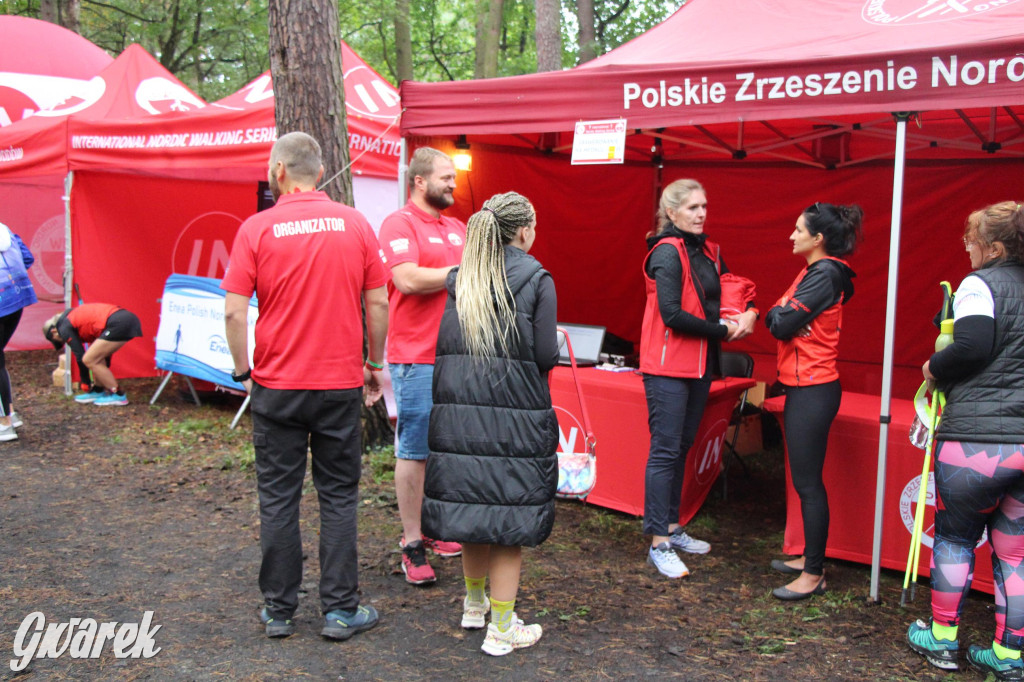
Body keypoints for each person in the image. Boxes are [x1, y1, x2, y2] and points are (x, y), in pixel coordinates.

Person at [222, 132, 389, 641]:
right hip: (339, 383)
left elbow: (232, 308)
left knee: (278, 497)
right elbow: (378, 303)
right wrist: (374, 362)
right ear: (320, 172)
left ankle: (279, 610)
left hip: (277, 384)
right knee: (338, 496)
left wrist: (240, 367)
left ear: (277, 172)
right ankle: (340, 610)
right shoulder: (355, 223)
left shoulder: (256, 229)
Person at [422, 191, 557, 656]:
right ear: (523, 231)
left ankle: (474, 604)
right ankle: (502, 630)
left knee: (472, 511)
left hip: (460, 417)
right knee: (509, 520)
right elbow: (544, 356)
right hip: (514, 419)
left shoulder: (461, 279)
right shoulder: (537, 278)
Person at [906, 201, 1024, 679]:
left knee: (954, 537)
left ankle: (942, 639)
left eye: (971, 239)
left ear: (994, 247)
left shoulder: (981, 284)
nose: (966, 246)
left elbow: (973, 344)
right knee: (1015, 550)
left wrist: (934, 367)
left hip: (977, 442)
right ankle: (1010, 654)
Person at [639, 179, 758, 579]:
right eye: (692, 208)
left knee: (682, 447)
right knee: (666, 451)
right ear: (671, 213)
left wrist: (751, 312)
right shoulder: (666, 252)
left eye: (704, 205)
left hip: (701, 366)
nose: (702, 213)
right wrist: (723, 332)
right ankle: (658, 541)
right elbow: (672, 314)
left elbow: (733, 287)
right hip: (668, 367)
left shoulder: (708, 250)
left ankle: (672, 527)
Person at [378, 147, 467, 585]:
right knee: (413, 448)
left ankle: (435, 527)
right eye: (446, 177)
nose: (453, 184)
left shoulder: (457, 226)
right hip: (415, 356)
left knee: (446, 447)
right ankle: (411, 543)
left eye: (453, 178)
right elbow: (407, 279)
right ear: (418, 181)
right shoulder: (399, 223)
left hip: (457, 355)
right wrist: (460, 270)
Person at [765, 202, 861, 600]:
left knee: (807, 483)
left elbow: (780, 323)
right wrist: (781, 315)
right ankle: (809, 558)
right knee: (804, 480)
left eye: (798, 229)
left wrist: (782, 315)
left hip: (813, 388)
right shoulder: (815, 271)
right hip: (807, 386)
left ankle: (814, 572)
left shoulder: (823, 274)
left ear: (818, 239)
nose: (791, 235)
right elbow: (779, 318)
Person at [43, 303, 142, 406]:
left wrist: (85, 382)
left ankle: (118, 395)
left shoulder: (63, 327)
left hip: (118, 322)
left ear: (54, 331)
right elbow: (102, 359)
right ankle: (98, 390)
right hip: (123, 319)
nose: (62, 342)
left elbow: (80, 356)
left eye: (57, 340)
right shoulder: (70, 320)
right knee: (97, 358)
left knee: (89, 359)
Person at [0, 222, 37, 439]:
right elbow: (28, 258)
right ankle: (9, 414)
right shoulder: (5, 229)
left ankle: (5, 423)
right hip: (18, 296)